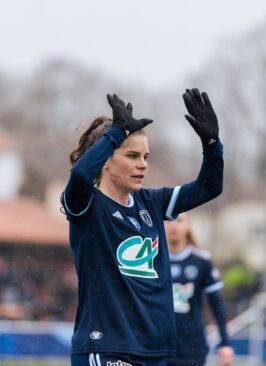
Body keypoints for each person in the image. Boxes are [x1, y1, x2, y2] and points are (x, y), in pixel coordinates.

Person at [60, 89, 224, 366]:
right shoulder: (88, 205)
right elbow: (80, 175)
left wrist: (212, 144)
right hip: (107, 348)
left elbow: (209, 187)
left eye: (146, 157)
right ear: (107, 159)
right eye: (133, 156)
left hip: (155, 351)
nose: (143, 165)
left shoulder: (152, 203)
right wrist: (116, 133)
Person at [164, 213, 234, 366]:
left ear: (188, 225)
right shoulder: (152, 260)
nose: (174, 225)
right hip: (158, 345)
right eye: (168, 220)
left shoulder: (201, 261)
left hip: (192, 346)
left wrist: (225, 343)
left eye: (179, 220)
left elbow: (217, 304)